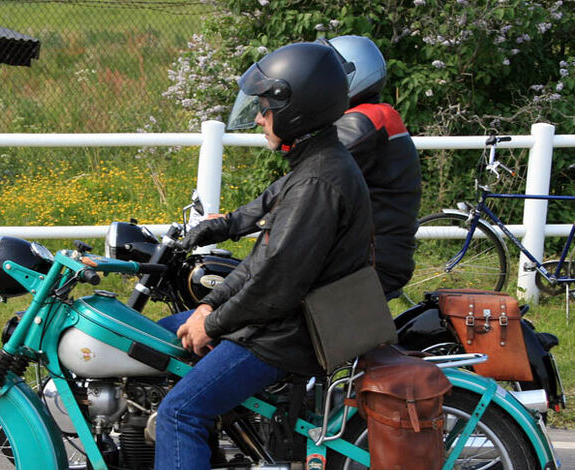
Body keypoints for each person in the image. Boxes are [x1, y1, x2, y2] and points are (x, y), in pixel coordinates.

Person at [132, 42, 372, 470]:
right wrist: (209, 281)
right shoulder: (313, 164)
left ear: (296, 108)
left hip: (286, 334)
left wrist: (213, 320)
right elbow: (262, 246)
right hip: (279, 319)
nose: (260, 116)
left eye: (267, 106)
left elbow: (274, 283)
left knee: (182, 411)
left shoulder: (318, 183)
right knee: (147, 340)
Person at [181, 35, 422, 299]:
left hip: (370, 260)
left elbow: (302, 182)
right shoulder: (374, 117)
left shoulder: (363, 122)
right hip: (365, 252)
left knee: (264, 301)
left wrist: (231, 223)